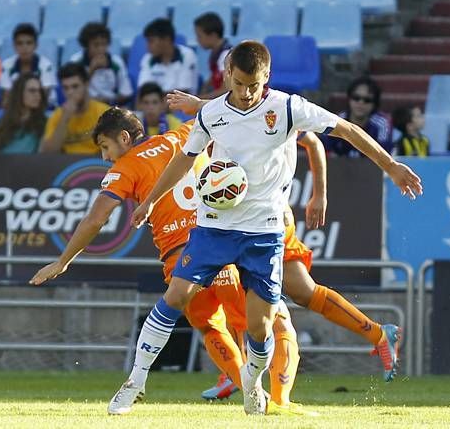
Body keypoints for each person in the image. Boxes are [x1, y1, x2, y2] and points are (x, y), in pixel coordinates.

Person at [109, 41, 421, 416]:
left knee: (260, 327)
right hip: (215, 226)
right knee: (176, 295)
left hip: (265, 232)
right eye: (238, 84)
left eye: (253, 85)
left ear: (266, 78)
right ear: (228, 75)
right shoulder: (212, 114)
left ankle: (253, 385)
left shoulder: (288, 108)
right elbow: (184, 158)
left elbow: (347, 130)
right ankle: (135, 383)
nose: (245, 93)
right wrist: (151, 200)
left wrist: (392, 166)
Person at [29, 109, 306, 415]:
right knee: (270, 323)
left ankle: (245, 392)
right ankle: (276, 400)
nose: (105, 157)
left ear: (124, 138)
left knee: (208, 327)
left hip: (183, 262)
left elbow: (96, 218)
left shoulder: (125, 167)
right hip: (222, 247)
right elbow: (229, 111)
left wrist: (63, 261)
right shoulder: (183, 135)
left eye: (105, 146)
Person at [168, 88, 406, 388]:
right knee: (291, 292)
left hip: (267, 222)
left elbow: (315, 143)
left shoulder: (277, 112)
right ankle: (377, 334)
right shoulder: (219, 113)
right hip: (235, 220)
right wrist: (198, 104)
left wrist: (319, 194)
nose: (238, 86)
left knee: (266, 297)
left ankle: (253, 382)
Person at [39, 62, 109, 154]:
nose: (70, 92)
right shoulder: (58, 115)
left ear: (86, 84)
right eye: (66, 88)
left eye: (75, 86)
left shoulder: (104, 113)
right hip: (67, 166)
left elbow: (115, 151)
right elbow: (47, 153)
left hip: (96, 164)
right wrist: (65, 118)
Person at [322, 76, 393, 157]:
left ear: (374, 104)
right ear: (349, 99)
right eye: (356, 98)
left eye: (367, 100)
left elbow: (384, 155)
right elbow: (324, 148)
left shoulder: (382, 124)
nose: (361, 103)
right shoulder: (338, 121)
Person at [69, 22, 133, 106]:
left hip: (110, 107)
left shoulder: (116, 62)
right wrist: (91, 70)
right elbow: (72, 92)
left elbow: (126, 93)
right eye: (96, 45)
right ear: (86, 45)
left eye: (104, 44)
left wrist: (109, 101)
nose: (101, 49)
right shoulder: (76, 61)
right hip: (84, 106)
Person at [0, 23, 57, 104]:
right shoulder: (6, 65)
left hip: (43, 107)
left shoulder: (46, 65)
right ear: (14, 46)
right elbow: (6, 97)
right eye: (20, 43)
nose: (24, 48)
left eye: (29, 43)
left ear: (36, 45)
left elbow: (44, 96)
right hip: (16, 107)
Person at [136, 18, 198, 94]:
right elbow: (143, 92)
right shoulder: (147, 59)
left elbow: (183, 93)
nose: (147, 46)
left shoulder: (187, 55)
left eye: (151, 41)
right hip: (155, 103)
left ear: (166, 40)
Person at [0, 73, 48, 153]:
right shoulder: (0, 125)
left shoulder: (44, 124)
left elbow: (41, 158)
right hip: (2, 165)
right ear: (19, 93)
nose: (38, 95)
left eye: (39, 91)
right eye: (32, 91)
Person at [193, 12, 231, 99]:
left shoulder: (226, 56)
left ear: (213, 35)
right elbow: (213, 78)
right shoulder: (216, 54)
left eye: (199, 36)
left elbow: (226, 90)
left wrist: (200, 99)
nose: (197, 40)